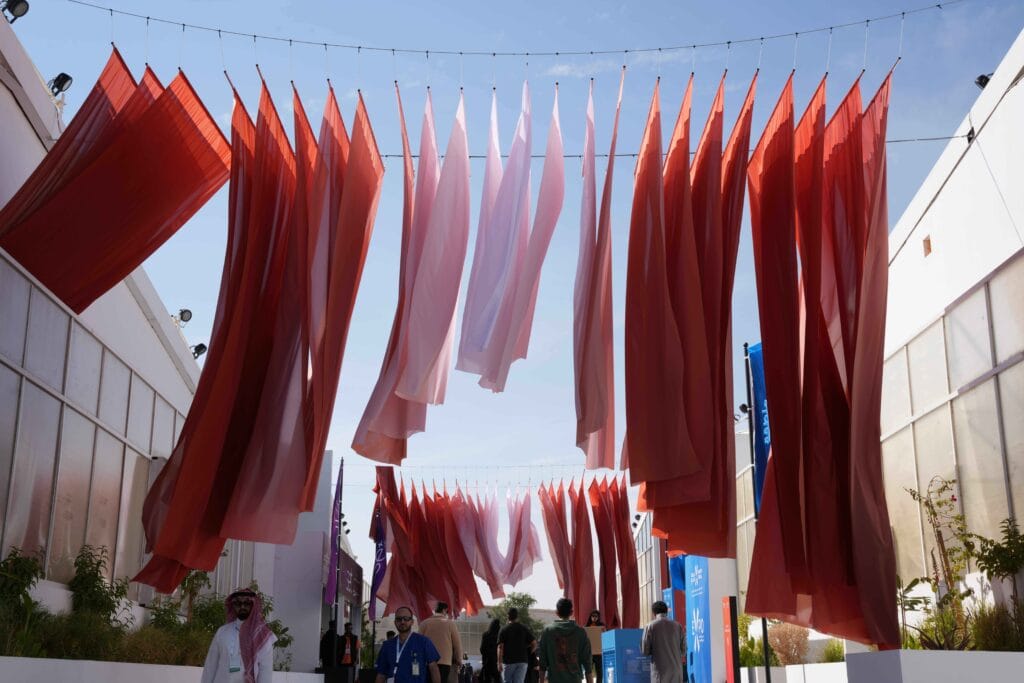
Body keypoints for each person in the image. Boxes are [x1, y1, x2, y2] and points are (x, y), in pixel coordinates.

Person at [201, 588, 276, 683]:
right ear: (233, 606)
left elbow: (265, 672)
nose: (242, 607)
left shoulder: (262, 636)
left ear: (253, 606)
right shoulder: (222, 632)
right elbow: (210, 666)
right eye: (238, 603)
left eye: (247, 603)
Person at [376, 606, 442, 683]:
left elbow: (434, 668)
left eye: (406, 618)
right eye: (399, 619)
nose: (402, 622)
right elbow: (381, 675)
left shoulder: (424, 642)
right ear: (395, 622)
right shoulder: (387, 646)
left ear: (412, 621)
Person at [538, 598, 591, 683]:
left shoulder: (547, 631)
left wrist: (541, 681)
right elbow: (587, 661)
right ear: (571, 612)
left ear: (557, 612)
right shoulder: (580, 632)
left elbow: (542, 660)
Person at [419, 602, 464, 683]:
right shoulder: (450, 624)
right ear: (444, 610)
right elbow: (457, 645)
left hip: (426, 663)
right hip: (445, 662)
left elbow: (417, 644)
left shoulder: (424, 623)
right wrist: (459, 660)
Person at [641, 601, 685, 683]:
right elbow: (683, 651)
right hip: (676, 672)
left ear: (654, 613)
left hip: (660, 673)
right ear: (666, 612)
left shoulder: (650, 626)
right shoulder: (677, 626)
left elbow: (645, 651)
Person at [498, 607, 536, 683]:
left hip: (508, 662)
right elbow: (534, 643)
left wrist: (499, 663)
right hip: (522, 661)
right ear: (517, 616)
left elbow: (500, 647)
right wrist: (528, 653)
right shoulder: (524, 628)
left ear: (508, 616)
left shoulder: (504, 629)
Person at [583, 611, 604, 682]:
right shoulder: (587, 627)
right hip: (589, 653)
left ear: (598, 617)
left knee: (599, 672)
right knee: (588, 671)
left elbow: (605, 636)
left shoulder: (601, 626)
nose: (594, 618)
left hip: (599, 653)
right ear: (590, 617)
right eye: (593, 616)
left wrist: (604, 631)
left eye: (596, 616)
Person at [480, 618, 501, 683]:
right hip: (496, 662)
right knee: (497, 679)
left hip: (487, 662)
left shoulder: (485, 635)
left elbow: (482, 649)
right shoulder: (500, 636)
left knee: (487, 679)